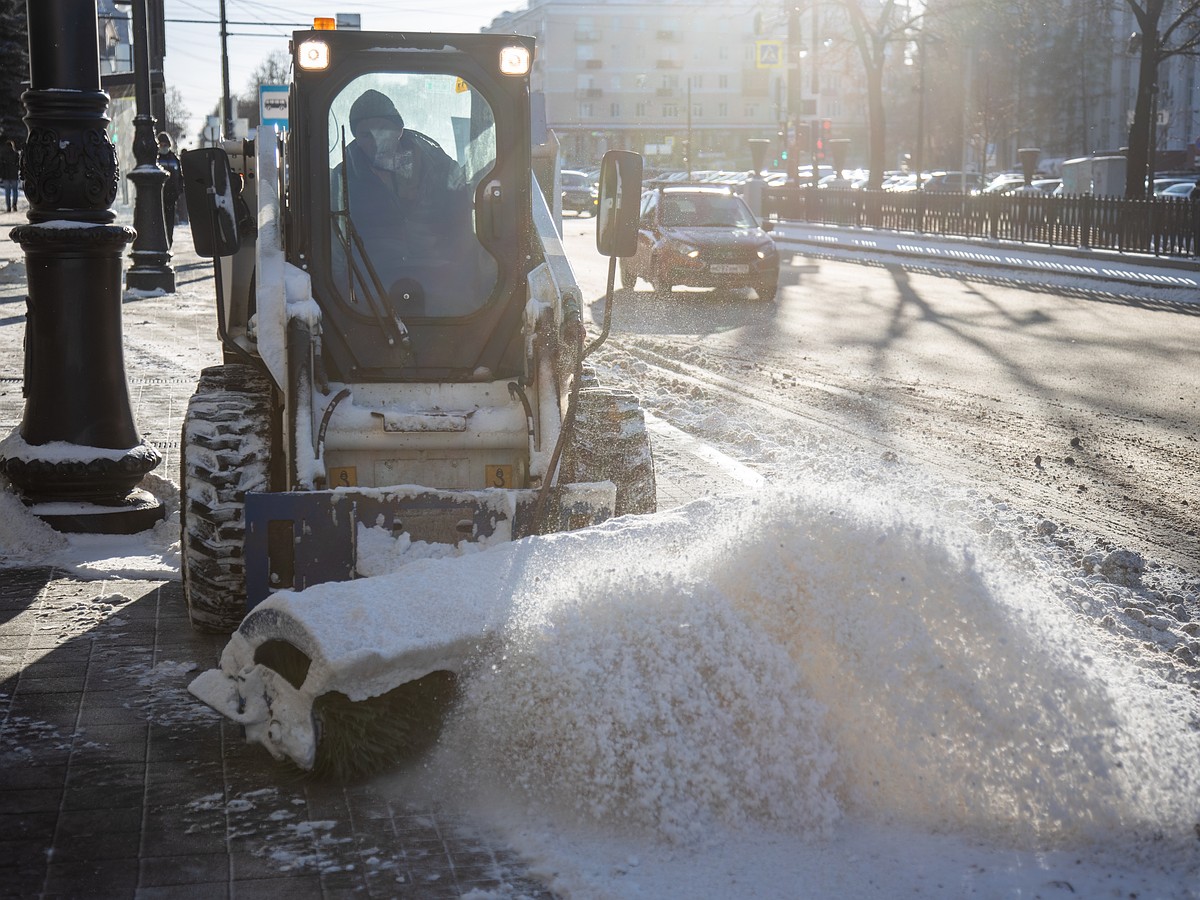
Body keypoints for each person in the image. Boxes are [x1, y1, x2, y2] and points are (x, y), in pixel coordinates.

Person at [331, 89, 477, 315]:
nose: (374, 141)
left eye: (382, 131)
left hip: (441, 282)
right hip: (370, 288)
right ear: (356, 139)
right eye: (365, 135)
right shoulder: (341, 181)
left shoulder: (441, 171)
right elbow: (336, 248)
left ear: (399, 130)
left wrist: (462, 277)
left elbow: (463, 228)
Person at [157, 132, 183, 245]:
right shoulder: (155, 158)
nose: (163, 147)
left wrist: (178, 191)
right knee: (159, 221)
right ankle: (162, 242)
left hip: (171, 197)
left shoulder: (174, 159)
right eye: (161, 145)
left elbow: (179, 177)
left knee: (169, 221)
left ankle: (169, 242)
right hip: (159, 197)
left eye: (165, 144)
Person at [0, 140, 20, 213]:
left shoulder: (3, 154)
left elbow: (1, 166)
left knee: (7, 192)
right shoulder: (16, 154)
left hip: (6, 175)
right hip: (14, 175)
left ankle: (8, 207)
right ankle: (14, 204)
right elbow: (19, 164)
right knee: (15, 191)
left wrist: (1, 175)